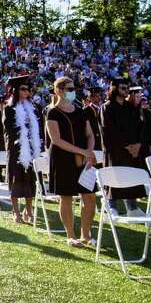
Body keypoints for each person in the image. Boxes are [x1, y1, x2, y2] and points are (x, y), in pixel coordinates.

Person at [44, 76, 96, 247]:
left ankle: (85, 234)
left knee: (90, 197)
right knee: (66, 197)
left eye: (74, 89)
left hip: (84, 159)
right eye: (70, 89)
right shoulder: (52, 112)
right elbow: (56, 140)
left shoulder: (81, 111)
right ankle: (71, 235)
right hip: (63, 159)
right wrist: (83, 151)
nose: (73, 92)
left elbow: (90, 134)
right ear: (58, 91)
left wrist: (89, 152)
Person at [100, 80, 147, 212]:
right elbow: (108, 130)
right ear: (115, 89)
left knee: (130, 178)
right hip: (115, 149)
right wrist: (126, 145)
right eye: (123, 88)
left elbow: (139, 127)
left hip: (132, 150)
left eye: (127, 88)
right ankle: (111, 206)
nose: (126, 90)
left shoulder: (130, 107)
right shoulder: (107, 107)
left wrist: (138, 144)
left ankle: (132, 208)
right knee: (114, 178)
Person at [2, 75, 41, 224]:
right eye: (23, 89)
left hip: (30, 149)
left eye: (28, 89)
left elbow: (36, 129)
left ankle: (28, 210)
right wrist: (21, 136)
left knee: (30, 180)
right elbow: (9, 130)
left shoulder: (32, 108)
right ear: (15, 91)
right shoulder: (9, 109)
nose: (27, 92)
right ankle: (16, 211)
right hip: (16, 150)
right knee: (16, 179)